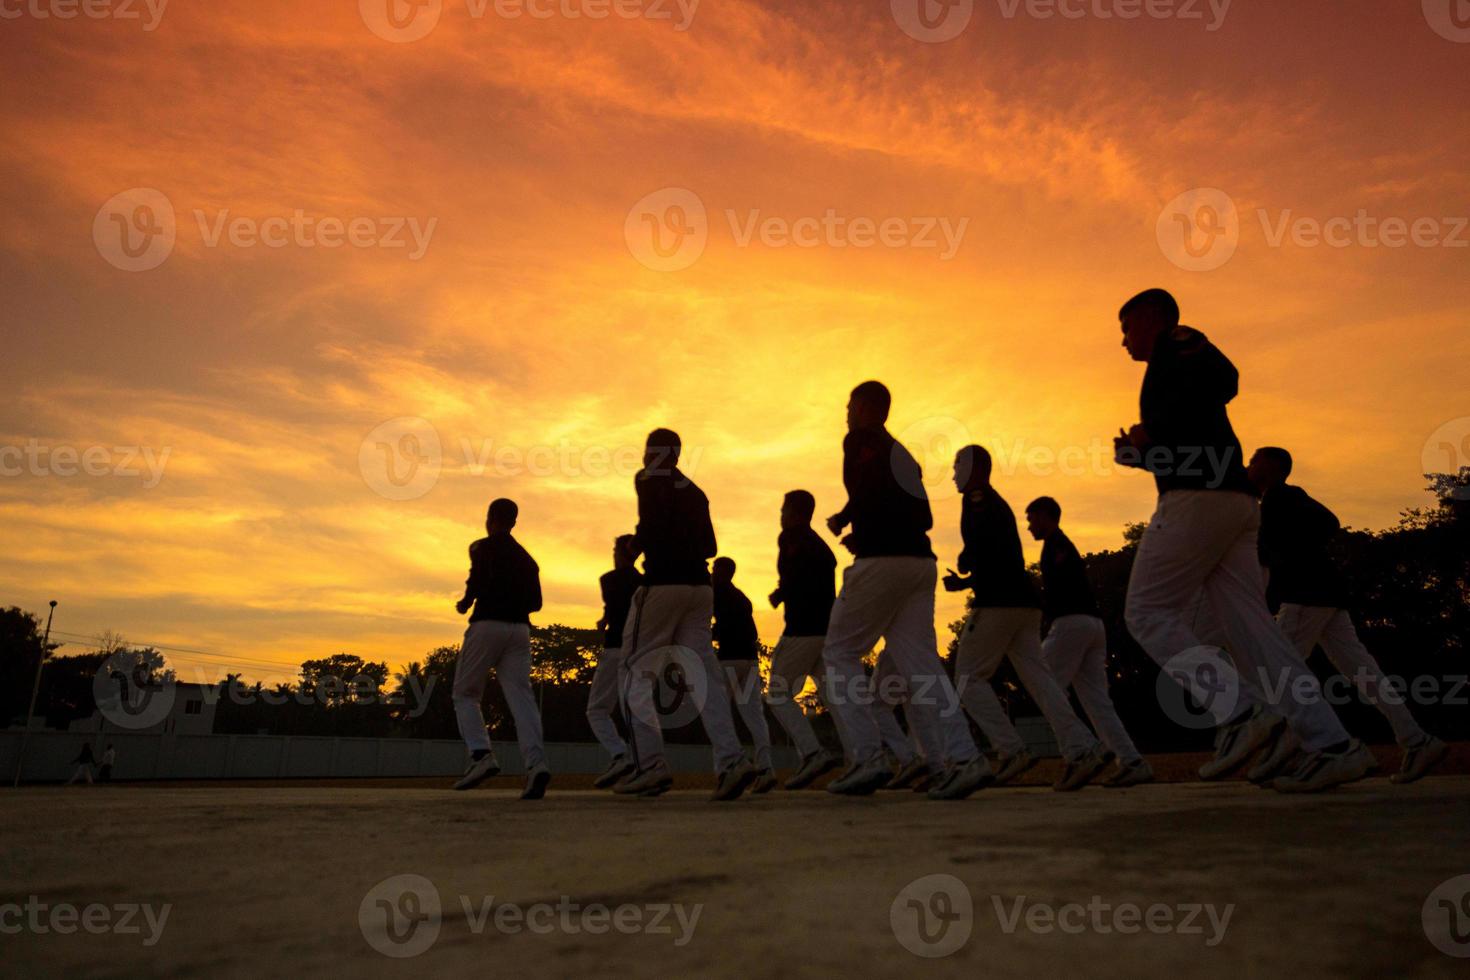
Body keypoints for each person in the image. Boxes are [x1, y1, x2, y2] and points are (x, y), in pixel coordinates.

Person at [1114, 288, 1372, 792]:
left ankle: (1240, 712)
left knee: (1146, 612)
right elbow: (1197, 421)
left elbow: (1223, 383)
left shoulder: (1179, 346)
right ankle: (1333, 744)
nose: (1122, 341)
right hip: (1232, 502)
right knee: (1258, 634)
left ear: (1151, 319)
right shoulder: (1174, 364)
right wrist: (1139, 453)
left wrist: (1150, 431)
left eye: (1125, 328)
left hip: (1198, 502)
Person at [820, 381, 992, 800]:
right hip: (920, 564)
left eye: (849, 405)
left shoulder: (859, 439)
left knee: (838, 652)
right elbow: (925, 517)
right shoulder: (906, 456)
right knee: (923, 667)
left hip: (883, 562)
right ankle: (964, 757)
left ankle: (867, 757)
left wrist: (853, 522)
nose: (846, 413)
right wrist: (859, 521)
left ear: (864, 407)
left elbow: (864, 491)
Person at [1247, 447, 1448, 784]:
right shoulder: (1278, 502)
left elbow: (1325, 524)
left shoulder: (1280, 497)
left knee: (1278, 673)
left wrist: (1291, 552)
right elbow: (1320, 526)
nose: (1248, 465)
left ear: (1269, 466)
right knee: (1362, 672)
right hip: (1325, 595)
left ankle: (1320, 749)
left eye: (1253, 460)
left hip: (1306, 597)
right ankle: (1416, 740)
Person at [943, 447, 1109, 792]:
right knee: (1041, 680)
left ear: (975, 468)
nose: (953, 472)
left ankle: (1011, 749)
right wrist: (968, 576)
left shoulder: (976, 499)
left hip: (998, 604)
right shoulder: (996, 503)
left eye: (957, 465)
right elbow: (1000, 557)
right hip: (1024, 604)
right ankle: (1082, 749)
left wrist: (965, 560)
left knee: (967, 679)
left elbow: (985, 550)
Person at [613, 428, 756, 801]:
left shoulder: (647, 479)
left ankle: (651, 766)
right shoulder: (695, 490)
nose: (644, 457)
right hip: (699, 589)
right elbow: (710, 545)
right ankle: (731, 760)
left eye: (648, 449)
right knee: (704, 677)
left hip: (663, 584)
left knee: (634, 672)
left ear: (659, 453)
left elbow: (652, 523)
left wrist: (636, 545)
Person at [1024, 496, 1153, 787]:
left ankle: (1079, 752)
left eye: (1032, 519)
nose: (1029, 526)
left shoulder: (1056, 546)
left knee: (1045, 687)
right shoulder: (1060, 546)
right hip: (1092, 625)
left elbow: (1056, 593)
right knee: (1096, 701)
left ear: (1046, 516)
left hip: (1071, 624)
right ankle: (1131, 760)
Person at [450, 497, 552, 799]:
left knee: (465, 693)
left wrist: (467, 601)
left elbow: (477, 579)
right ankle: (536, 764)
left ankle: (481, 755)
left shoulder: (481, 547)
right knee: (522, 699)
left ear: (491, 517)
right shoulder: (527, 559)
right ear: (514, 521)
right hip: (519, 630)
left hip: (487, 624)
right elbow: (537, 603)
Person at [765, 490, 845, 789]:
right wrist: (783, 590)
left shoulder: (791, 538)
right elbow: (803, 576)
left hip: (803, 629)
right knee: (835, 699)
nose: (781, 515)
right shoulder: (820, 546)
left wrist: (784, 591)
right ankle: (864, 755)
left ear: (796, 513)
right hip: (828, 630)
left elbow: (796, 574)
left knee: (777, 693)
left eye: (784, 509)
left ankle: (812, 753)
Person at [711, 557, 778, 793]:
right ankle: (766, 768)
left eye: (713, 569)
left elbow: (717, 629)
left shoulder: (715, 593)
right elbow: (752, 631)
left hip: (729, 659)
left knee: (717, 712)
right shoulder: (742, 598)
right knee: (754, 716)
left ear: (721, 572)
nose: (711, 573)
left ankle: (727, 767)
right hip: (749, 659)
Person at [587, 534, 642, 789]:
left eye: (615, 549)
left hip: (615, 647)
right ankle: (643, 761)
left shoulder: (608, 580)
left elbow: (614, 603)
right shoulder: (644, 583)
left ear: (621, 553)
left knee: (597, 709)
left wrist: (607, 619)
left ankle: (620, 754)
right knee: (634, 708)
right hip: (640, 649)